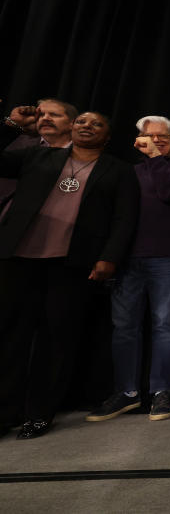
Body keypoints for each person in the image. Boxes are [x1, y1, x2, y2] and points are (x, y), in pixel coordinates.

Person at [0, 111, 139, 439]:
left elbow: (124, 219)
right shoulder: (38, 154)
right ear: (72, 128)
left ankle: (39, 414)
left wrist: (109, 258)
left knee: (55, 341)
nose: (87, 126)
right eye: (81, 122)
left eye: (96, 124)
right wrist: (11, 125)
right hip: (19, 259)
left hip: (72, 265)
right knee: (9, 338)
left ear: (107, 136)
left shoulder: (119, 171)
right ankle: (4, 413)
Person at [85, 115, 170, 423]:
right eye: (149, 137)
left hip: (168, 257)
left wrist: (156, 158)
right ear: (138, 140)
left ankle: (162, 392)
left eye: (163, 137)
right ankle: (127, 393)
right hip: (127, 260)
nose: (156, 141)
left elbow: (169, 193)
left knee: (164, 324)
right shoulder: (128, 172)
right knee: (124, 327)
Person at [1, 100, 77, 215]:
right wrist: (12, 124)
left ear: (73, 123)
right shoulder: (21, 144)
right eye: (41, 115)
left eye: (54, 115)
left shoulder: (83, 155)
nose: (45, 118)